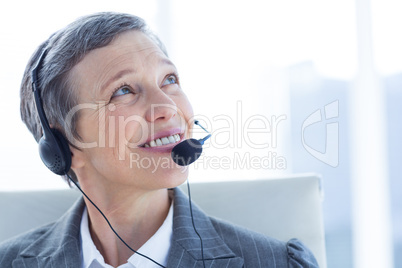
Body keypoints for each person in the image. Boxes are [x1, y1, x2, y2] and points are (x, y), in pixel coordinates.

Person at [0, 12, 318, 268]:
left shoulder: (275, 263)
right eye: (123, 90)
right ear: (64, 144)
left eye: (169, 80)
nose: (167, 107)